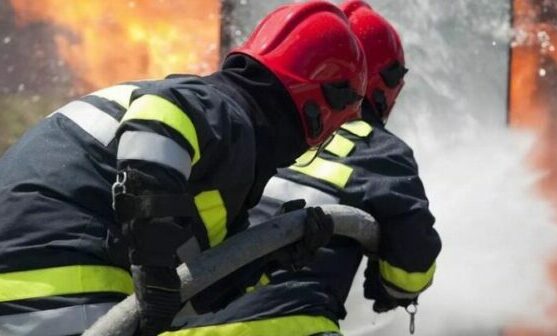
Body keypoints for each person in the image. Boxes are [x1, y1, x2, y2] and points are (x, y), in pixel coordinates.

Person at [0, 2, 367, 335]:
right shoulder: (224, 111)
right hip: (61, 288)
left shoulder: (213, 151)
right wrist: (153, 267)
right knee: (304, 318)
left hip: (27, 296)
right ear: (318, 110)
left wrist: (269, 258)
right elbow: (160, 117)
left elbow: (194, 290)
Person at [167, 1, 442, 335]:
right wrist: (389, 283)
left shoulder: (241, 130)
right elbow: (411, 271)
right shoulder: (378, 150)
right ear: (383, 83)